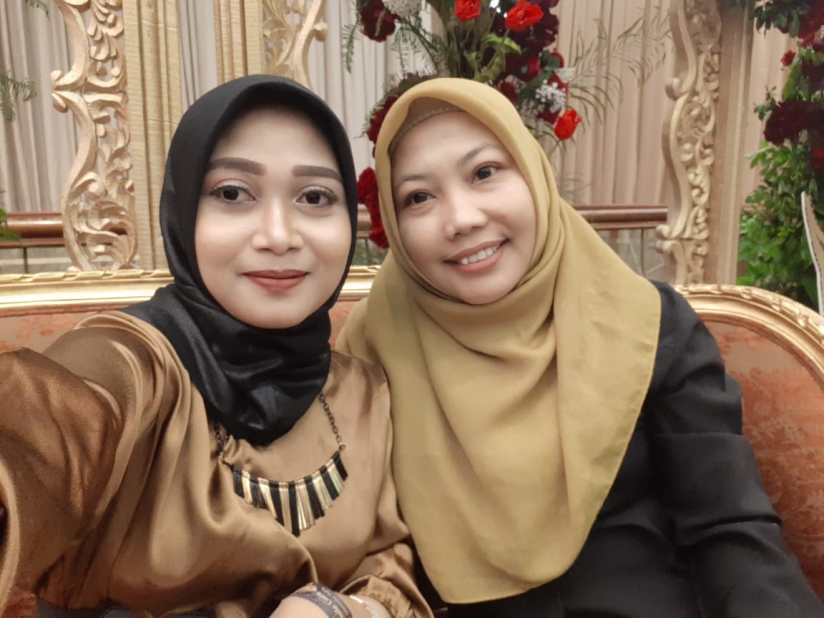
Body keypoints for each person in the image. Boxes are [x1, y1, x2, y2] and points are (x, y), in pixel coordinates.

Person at [336, 77, 824, 617]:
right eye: (418, 197)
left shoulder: (646, 326)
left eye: (484, 173)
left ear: (533, 174)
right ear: (394, 223)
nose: (462, 219)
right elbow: (354, 554)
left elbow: (730, 532)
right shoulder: (370, 354)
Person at [0, 75, 431, 618]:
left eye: (315, 197)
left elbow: (390, 568)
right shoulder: (136, 362)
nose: (279, 235)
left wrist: (339, 609)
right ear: (184, 212)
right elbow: (42, 430)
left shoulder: (363, 393)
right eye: (232, 194)